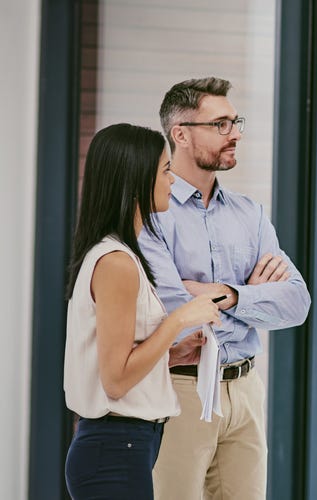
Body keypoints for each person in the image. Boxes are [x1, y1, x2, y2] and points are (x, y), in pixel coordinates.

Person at [138, 77, 312, 499]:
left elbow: (297, 302)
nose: (235, 134)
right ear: (180, 133)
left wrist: (227, 294)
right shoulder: (150, 214)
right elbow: (172, 314)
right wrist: (251, 297)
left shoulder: (250, 214)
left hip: (247, 389)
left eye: (236, 123)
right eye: (220, 124)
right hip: (180, 388)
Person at [64, 123, 222, 499]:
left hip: (126, 445)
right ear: (136, 179)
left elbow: (118, 361)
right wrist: (180, 319)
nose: (172, 181)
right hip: (116, 448)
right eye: (165, 170)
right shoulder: (116, 263)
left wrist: (171, 354)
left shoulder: (120, 256)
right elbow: (115, 380)